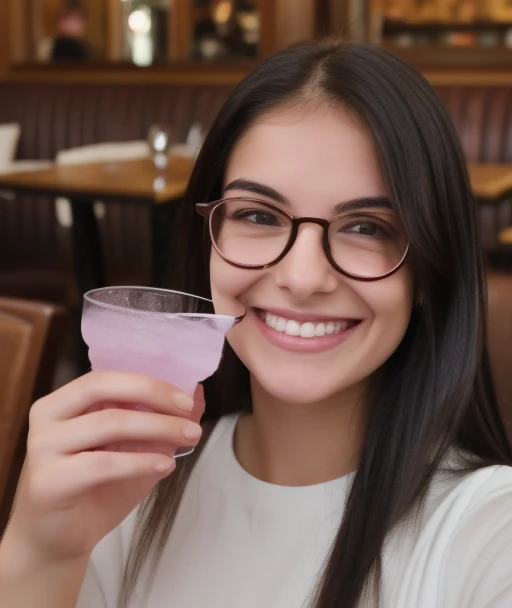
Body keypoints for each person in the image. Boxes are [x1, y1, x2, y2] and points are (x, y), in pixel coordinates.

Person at [1, 41, 511, 608]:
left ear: (429, 271)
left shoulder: (487, 531)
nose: (303, 277)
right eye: (259, 216)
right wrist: (39, 554)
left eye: (367, 227)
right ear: (209, 240)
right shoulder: (124, 485)